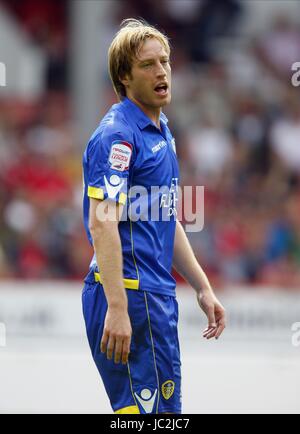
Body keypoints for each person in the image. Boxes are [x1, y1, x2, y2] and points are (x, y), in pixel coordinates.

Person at [82, 18, 226, 415]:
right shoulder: (118, 135)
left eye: (165, 62)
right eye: (149, 64)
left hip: (155, 297)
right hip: (129, 294)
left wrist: (201, 285)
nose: (162, 71)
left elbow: (165, 217)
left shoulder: (160, 131)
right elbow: (102, 221)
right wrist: (116, 306)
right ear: (125, 76)